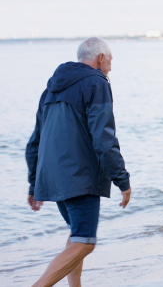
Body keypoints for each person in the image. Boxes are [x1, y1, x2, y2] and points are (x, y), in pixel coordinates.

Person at [25, 37, 132, 287]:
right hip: (79, 176)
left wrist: (34, 184)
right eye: (111, 60)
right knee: (85, 242)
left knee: (77, 237)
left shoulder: (50, 88)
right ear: (100, 58)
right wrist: (122, 180)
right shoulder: (96, 83)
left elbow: (35, 141)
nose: (111, 66)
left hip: (52, 176)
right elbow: (104, 138)